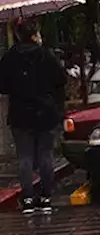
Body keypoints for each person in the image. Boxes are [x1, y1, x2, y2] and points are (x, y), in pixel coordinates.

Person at [0, 21, 66, 214]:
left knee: (25, 157)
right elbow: (61, 80)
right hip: (45, 113)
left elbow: (2, 86)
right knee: (45, 155)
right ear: (35, 34)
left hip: (20, 114)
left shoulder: (9, 58)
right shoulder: (46, 55)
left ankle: (27, 199)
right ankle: (45, 198)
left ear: (18, 35)